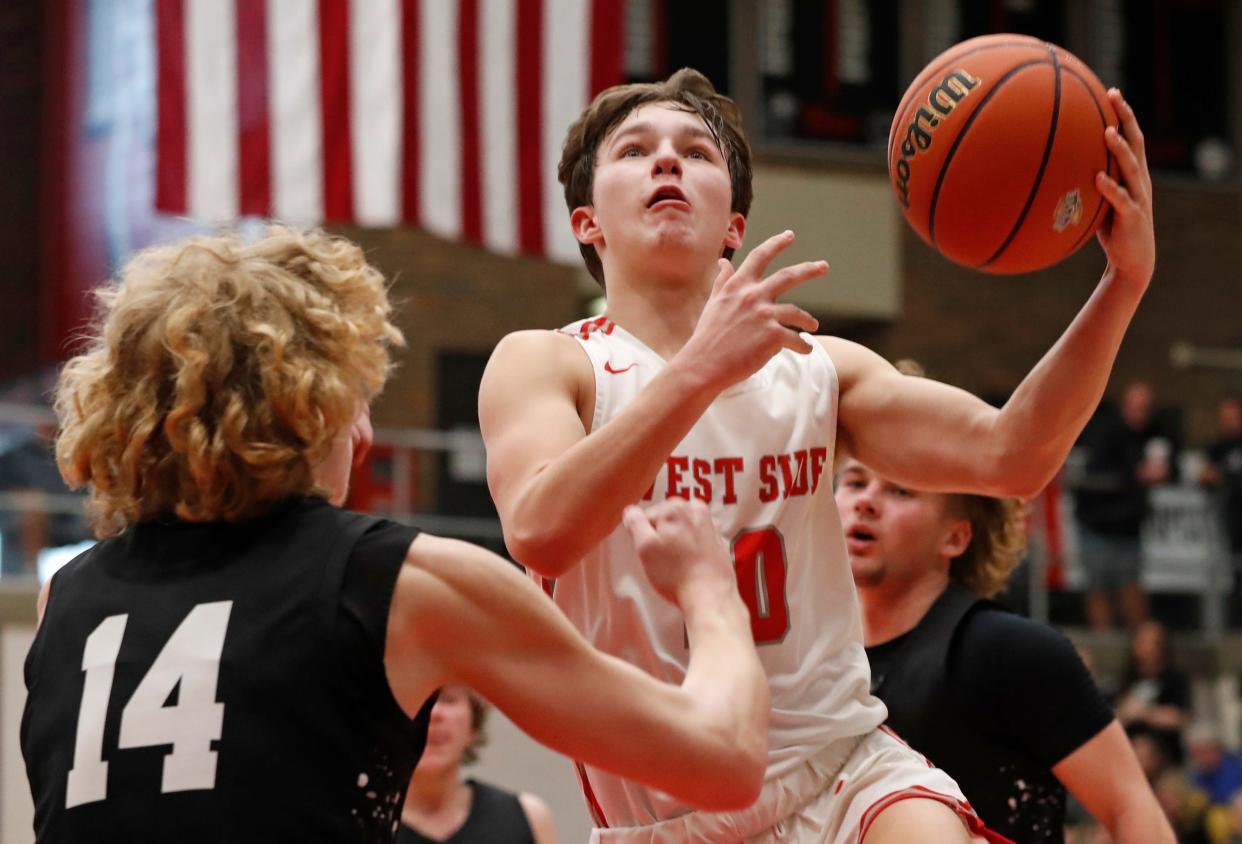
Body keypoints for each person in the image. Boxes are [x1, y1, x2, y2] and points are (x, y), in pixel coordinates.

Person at [479, 66, 1155, 843]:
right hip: (665, 816)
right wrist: (698, 372)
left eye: (697, 153)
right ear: (587, 222)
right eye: (635, 150)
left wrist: (1123, 282)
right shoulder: (547, 363)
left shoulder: (818, 372)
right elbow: (540, 531)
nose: (667, 160)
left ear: (733, 223)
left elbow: (1013, 456)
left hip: (841, 770)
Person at [20, 228, 771, 843]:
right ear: (310, 403)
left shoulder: (66, 597)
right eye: (358, 397)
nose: (368, 428)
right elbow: (722, 760)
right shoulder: (400, 579)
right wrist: (710, 592)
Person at [836, 451, 1173, 843]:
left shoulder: (1011, 651)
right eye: (855, 482)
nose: (866, 501)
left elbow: (1130, 806)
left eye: (901, 491)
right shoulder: (806, 654)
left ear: (956, 536)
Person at [1071, 380, 1176, 630]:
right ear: (1125, 407)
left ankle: (1136, 647)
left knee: (1131, 587)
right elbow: (1099, 469)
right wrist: (1136, 474)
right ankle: (1106, 643)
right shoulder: (1107, 431)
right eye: (1136, 407)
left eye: (1145, 408)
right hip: (1097, 523)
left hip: (1129, 526)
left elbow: (1173, 460)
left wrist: (1165, 471)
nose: (1141, 414)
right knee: (1098, 587)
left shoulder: (1154, 434)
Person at [396, 685, 557, 843]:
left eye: (449, 700)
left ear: (473, 725)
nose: (434, 713)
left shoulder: (528, 816)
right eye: (419, 700)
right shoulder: (371, 824)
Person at [1116, 620, 1192, 766]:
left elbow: (1180, 718)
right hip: (1131, 762)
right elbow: (1114, 718)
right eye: (1141, 640)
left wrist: (1144, 712)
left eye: (1151, 642)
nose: (1145, 647)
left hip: (1167, 761)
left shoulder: (1175, 678)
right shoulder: (1126, 678)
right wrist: (1125, 713)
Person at [1185, 721, 1242, 808]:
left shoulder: (1236, 769)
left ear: (1216, 748)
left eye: (1201, 752)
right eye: (1193, 754)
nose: (1198, 759)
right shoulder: (1197, 775)